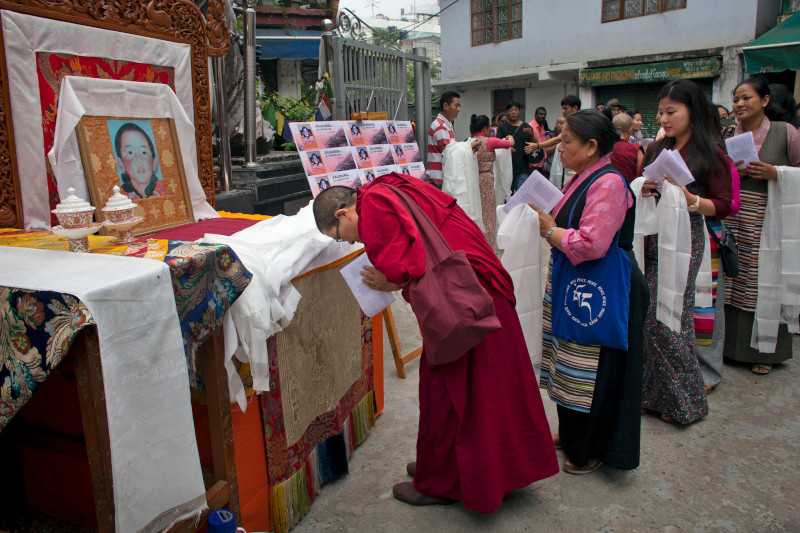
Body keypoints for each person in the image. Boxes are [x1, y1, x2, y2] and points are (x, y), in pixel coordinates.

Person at [312, 174, 559, 511]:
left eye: (340, 237)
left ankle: (444, 482)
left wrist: (391, 282)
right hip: (474, 287)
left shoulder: (375, 210)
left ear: (343, 214)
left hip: (465, 300)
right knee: (475, 388)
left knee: (453, 394)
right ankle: (448, 468)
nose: (351, 244)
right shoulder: (383, 188)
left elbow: (408, 266)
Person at [532, 109, 649, 474]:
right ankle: (572, 433)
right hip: (579, 285)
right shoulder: (584, 175)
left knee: (596, 371)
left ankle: (593, 446)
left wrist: (551, 232)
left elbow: (593, 243)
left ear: (592, 145)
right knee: (570, 363)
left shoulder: (609, 182)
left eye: (566, 141)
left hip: (605, 290)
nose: (560, 148)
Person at [639, 79, 733, 424]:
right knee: (648, 320)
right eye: (660, 111)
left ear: (692, 111)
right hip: (651, 235)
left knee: (672, 319)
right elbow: (642, 182)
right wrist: (645, 187)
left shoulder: (710, 152)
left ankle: (687, 402)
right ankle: (652, 395)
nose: (663, 118)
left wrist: (691, 199)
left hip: (685, 238)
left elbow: (724, 205)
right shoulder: (656, 148)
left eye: (671, 111)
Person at [724, 77, 800, 375]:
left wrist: (776, 172)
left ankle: (765, 352)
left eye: (746, 98)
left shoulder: (785, 133)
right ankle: (729, 348)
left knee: (761, 282)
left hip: (769, 220)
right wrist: (731, 172)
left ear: (765, 100)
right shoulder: (729, 134)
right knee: (733, 281)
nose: (739, 104)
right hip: (736, 217)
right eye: (736, 99)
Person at [470, 114, 515, 249]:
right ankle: (488, 244)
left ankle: (476, 241)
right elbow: (510, 143)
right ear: (485, 128)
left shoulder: (469, 141)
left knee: (477, 210)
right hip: (487, 179)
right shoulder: (489, 141)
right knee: (488, 212)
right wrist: (509, 137)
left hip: (473, 179)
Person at [113, 122, 165, 200]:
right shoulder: (118, 198)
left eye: (144, 152)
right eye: (130, 152)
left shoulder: (167, 189)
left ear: (154, 163)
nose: (139, 159)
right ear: (121, 164)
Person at [496, 101, 535, 192]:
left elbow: (535, 144)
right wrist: (507, 148)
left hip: (523, 169)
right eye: (511, 110)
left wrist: (531, 135)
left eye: (516, 110)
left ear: (519, 111)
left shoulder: (526, 127)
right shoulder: (502, 127)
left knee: (521, 197)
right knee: (506, 197)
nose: (513, 112)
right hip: (506, 168)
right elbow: (497, 144)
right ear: (507, 111)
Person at [426, 91, 460, 189]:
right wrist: (468, 147)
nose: (458, 109)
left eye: (459, 106)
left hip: (443, 177)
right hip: (438, 179)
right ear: (446, 106)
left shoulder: (446, 125)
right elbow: (447, 152)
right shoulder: (440, 126)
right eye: (456, 106)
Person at [610, 113, 644, 184]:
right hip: (629, 191)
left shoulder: (607, 149)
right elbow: (641, 178)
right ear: (630, 130)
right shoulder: (636, 149)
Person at [529, 107, 550, 174]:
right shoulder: (530, 126)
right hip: (533, 162)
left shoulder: (542, 126)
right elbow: (527, 144)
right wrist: (529, 162)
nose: (542, 116)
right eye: (540, 114)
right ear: (535, 115)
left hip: (541, 161)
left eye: (544, 114)